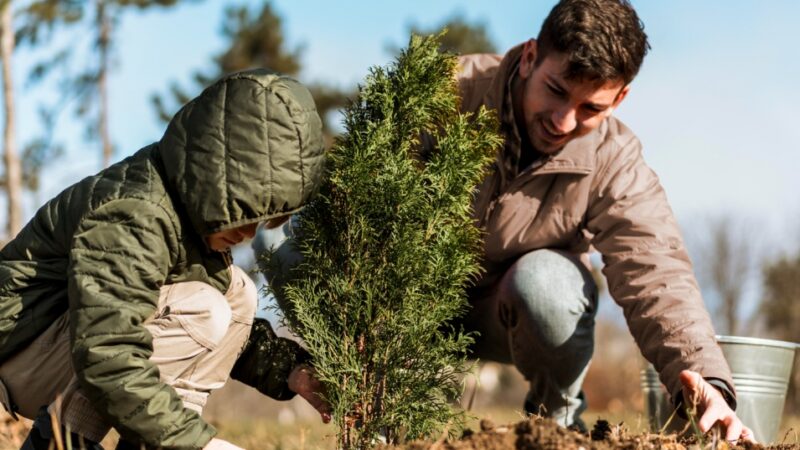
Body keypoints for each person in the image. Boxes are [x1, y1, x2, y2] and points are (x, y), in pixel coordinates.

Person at [449, 0, 753, 442]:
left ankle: (556, 428)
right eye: (555, 90)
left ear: (620, 98)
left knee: (549, 283)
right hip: (415, 308)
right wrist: (310, 353)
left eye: (590, 108)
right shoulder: (448, 93)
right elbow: (353, 208)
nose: (563, 121)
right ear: (531, 57)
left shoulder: (615, 160)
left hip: (511, 314)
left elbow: (654, 268)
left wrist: (707, 378)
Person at [0, 69, 330, 450]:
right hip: (19, 354)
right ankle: (58, 442)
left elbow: (218, 338)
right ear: (216, 179)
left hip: (66, 347)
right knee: (204, 308)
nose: (248, 233)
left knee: (237, 294)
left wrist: (290, 371)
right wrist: (197, 445)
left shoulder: (184, 214)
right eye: (248, 212)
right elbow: (107, 350)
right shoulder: (136, 214)